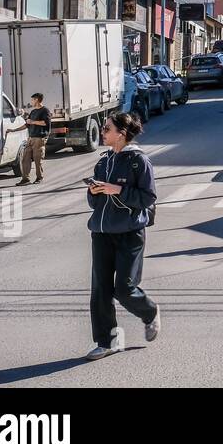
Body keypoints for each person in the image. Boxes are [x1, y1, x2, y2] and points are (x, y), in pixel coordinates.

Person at [85, 112, 159, 361]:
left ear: (122, 134)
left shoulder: (139, 161)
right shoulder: (103, 161)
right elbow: (94, 203)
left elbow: (147, 198)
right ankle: (107, 341)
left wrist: (118, 190)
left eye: (107, 128)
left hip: (130, 233)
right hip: (101, 233)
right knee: (100, 290)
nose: (103, 132)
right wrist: (94, 191)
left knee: (125, 289)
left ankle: (149, 312)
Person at [19, 92, 50, 185]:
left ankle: (39, 177)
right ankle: (25, 179)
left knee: (37, 159)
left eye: (32, 100)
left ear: (36, 100)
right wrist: (13, 130)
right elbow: (27, 124)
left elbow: (45, 123)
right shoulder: (33, 111)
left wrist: (33, 121)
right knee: (25, 158)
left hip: (39, 138)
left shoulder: (45, 111)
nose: (31, 102)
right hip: (31, 138)